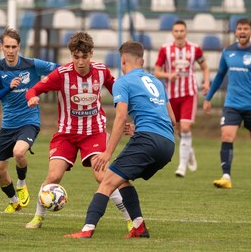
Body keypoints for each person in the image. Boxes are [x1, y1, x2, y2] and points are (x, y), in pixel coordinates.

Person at [64, 40, 176, 239]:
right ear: (141, 60)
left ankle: (87, 230)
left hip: (147, 140)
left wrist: (107, 153)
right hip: (167, 144)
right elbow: (172, 119)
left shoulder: (123, 82)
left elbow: (121, 116)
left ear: (123, 60)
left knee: (106, 182)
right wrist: (138, 127)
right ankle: (139, 228)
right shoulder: (157, 82)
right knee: (122, 181)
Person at [24, 32, 132, 230]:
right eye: (76, 57)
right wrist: (31, 98)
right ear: (71, 55)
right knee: (54, 176)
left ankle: (130, 219)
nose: (80, 62)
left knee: (102, 176)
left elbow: (120, 93)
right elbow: (33, 89)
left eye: (84, 56)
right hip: (66, 134)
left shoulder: (101, 72)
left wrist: (128, 119)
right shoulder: (61, 74)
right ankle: (38, 217)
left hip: (94, 131)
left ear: (91, 54)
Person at [0, 26, 59, 213]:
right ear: (1, 47)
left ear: (19, 47)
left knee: (19, 153)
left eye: (14, 47)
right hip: (8, 124)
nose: (11, 51)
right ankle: (14, 202)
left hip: (29, 121)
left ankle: (21, 183)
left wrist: (41, 89)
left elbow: (59, 71)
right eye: (7, 47)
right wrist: (9, 88)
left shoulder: (32, 64)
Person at [203, 18, 251, 191]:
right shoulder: (228, 52)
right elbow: (220, 76)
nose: (242, 31)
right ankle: (226, 177)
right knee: (227, 135)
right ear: (235, 32)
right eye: (239, 29)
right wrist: (208, 98)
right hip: (232, 104)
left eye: (245, 29)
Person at [154, 20, 210, 178]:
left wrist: (206, 83)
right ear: (173, 33)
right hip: (171, 94)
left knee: (185, 128)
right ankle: (189, 151)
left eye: (181, 31)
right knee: (177, 128)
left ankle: (182, 166)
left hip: (189, 93)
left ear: (186, 32)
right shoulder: (165, 49)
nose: (179, 34)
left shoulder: (195, 49)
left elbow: (205, 67)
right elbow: (157, 71)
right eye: (176, 31)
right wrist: (168, 75)